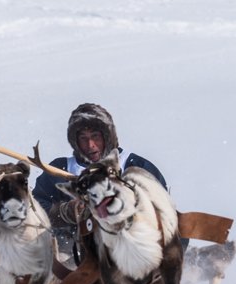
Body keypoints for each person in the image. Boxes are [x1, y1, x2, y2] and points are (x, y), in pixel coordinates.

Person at [32, 103, 169, 258]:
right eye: (83, 139)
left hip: (133, 251)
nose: (90, 145)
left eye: (95, 136)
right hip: (74, 254)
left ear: (107, 137)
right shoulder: (60, 169)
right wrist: (65, 212)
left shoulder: (134, 166)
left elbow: (165, 212)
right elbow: (36, 209)